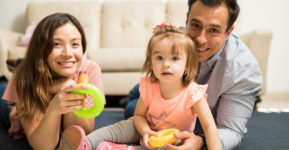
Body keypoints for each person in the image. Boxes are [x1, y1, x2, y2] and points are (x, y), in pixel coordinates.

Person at [124, 0, 263, 149]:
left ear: (228, 32)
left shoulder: (244, 71)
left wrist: (200, 141)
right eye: (196, 26)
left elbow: (232, 131)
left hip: (190, 114)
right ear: (187, 20)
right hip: (161, 89)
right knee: (133, 107)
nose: (200, 40)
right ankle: (135, 92)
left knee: (134, 107)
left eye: (213, 30)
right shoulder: (176, 40)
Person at [58, 23, 221, 150]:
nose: (166, 64)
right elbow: (139, 116)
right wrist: (145, 131)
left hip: (173, 140)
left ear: (187, 65)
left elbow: (209, 126)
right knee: (120, 128)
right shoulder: (150, 86)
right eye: (159, 58)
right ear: (150, 62)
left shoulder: (193, 94)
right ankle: (86, 144)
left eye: (175, 58)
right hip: (146, 129)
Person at [1, 13, 105, 149]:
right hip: (13, 113)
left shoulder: (89, 69)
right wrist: (54, 109)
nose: (68, 53)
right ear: (41, 50)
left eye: (75, 44)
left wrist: (71, 90)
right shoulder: (23, 76)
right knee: (2, 92)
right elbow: (43, 146)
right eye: (57, 44)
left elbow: (82, 132)